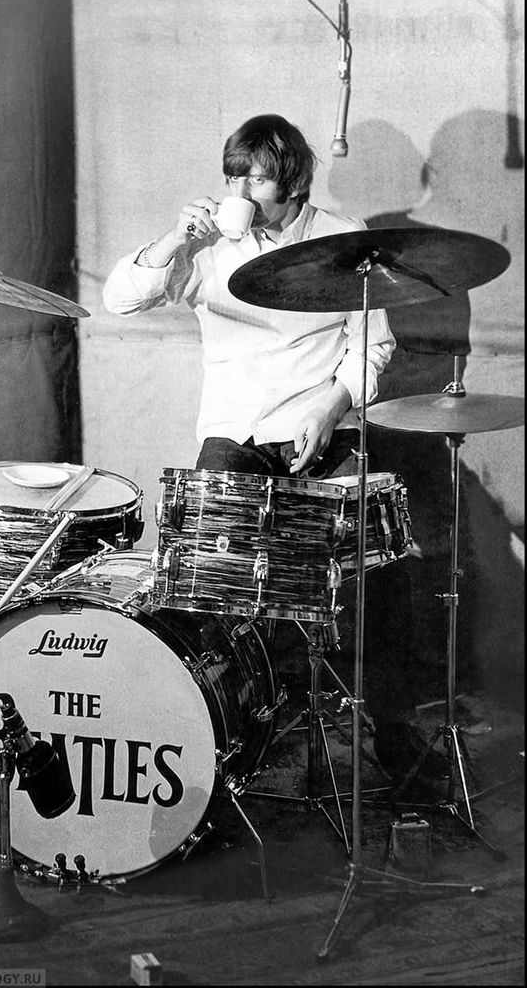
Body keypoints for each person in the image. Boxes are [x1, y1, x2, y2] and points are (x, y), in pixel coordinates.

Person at [102, 113, 447, 796]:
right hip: (235, 433)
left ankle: (393, 728)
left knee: (383, 559)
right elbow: (120, 300)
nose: (240, 188)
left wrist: (331, 405)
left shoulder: (343, 240)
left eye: (254, 177)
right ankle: (202, 726)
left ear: (290, 183)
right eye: (233, 174)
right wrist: (177, 237)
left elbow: (372, 347)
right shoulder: (207, 248)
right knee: (198, 570)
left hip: (321, 429)